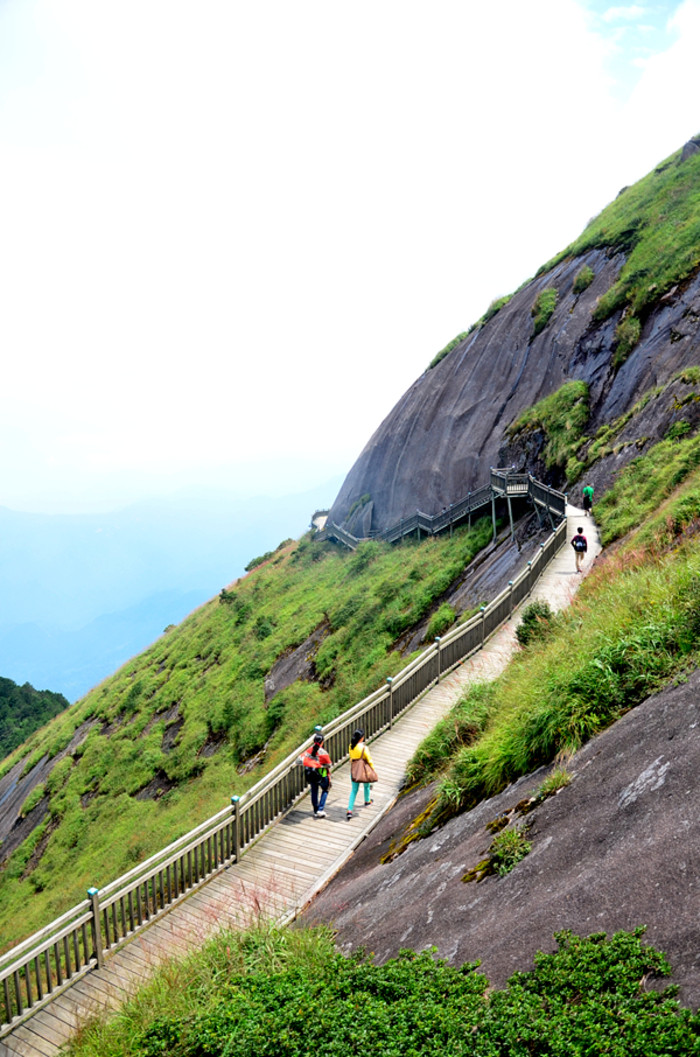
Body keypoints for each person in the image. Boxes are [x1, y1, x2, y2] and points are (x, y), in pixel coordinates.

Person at [301, 732, 332, 818]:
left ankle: (315, 810)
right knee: (326, 789)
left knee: (314, 790)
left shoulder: (308, 750)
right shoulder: (323, 752)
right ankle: (320, 809)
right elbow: (329, 764)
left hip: (311, 774)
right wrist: (321, 765)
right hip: (322, 775)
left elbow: (301, 760)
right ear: (322, 742)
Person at [347, 728, 374, 820]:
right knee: (367, 786)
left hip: (354, 770)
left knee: (354, 790)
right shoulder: (364, 748)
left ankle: (349, 810)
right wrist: (372, 770)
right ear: (361, 738)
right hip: (363, 770)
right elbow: (369, 760)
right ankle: (367, 800)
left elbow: (351, 757)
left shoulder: (351, 746)